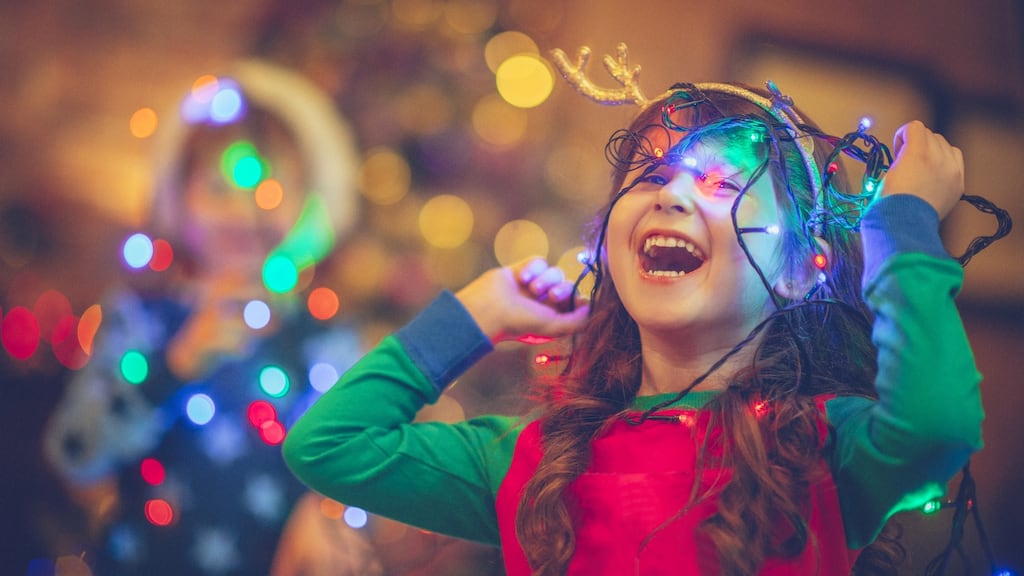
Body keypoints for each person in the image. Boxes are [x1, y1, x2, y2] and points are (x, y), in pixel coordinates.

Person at [282, 46, 982, 574]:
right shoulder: (532, 461)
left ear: (801, 271)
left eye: (719, 183)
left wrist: (902, 221)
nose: (670, 196)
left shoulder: (821, 449)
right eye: (649, 175)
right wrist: (477, 312)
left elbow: (938, 424)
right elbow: (328, 447)